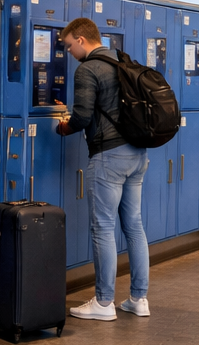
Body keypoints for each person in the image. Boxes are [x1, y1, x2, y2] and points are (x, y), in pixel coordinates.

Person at [56, 17, 150, 321]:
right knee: (134, 226)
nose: (68, 52)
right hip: (137, 154)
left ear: (81, 40)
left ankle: (104, 302)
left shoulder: (88, 69)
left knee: (103, 228)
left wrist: (63, 127)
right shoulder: (122, 62)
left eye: (69, 45)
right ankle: (139, 299)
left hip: (109, 156)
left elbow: (82, 117)